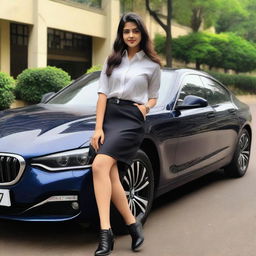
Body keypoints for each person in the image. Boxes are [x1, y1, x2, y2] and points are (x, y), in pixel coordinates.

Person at [90, 12, 161, 256]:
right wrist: (98, 127)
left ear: (142, 33)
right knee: (110, 175)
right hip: (110, 117)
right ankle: (133, 225)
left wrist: (146, 107)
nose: (130, 35)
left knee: (99, 166)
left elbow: (153, 96)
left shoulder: (152, 66)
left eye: (135, 30)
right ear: (121, 34)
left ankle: (105, 232)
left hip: (131, 119)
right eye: (126, 31)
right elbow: (101, 94)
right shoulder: (111, 61)